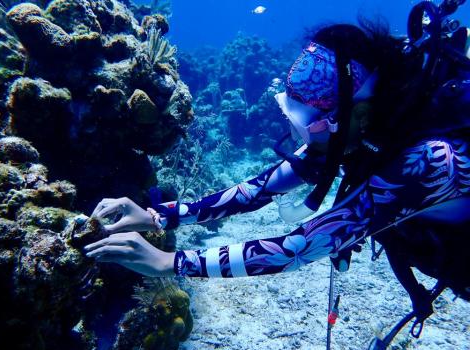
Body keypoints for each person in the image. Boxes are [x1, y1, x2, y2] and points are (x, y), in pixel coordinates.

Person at [85, 2, 470, 323]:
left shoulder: (433, 161)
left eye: (307, 122)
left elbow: (297, 247)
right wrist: (159, 217)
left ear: (360, 115)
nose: (301, 137)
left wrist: (169, 261)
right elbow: (258, 190)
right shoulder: (359, 129)